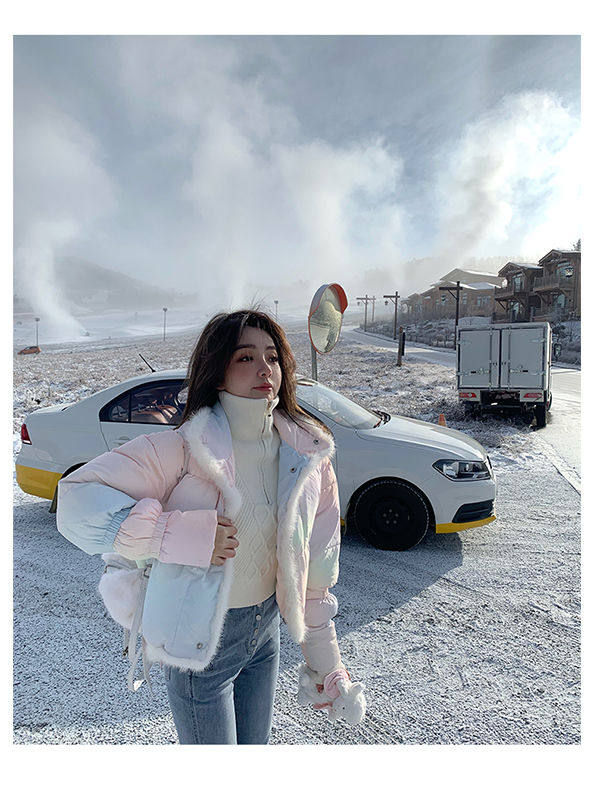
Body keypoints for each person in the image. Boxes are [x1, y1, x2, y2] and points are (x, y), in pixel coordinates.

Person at [56, 309, 364, 744]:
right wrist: (172, 535)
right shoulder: (182, 450)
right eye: (245, 357)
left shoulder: (307, 457)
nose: (264, 369)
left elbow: (316, 569)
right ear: (217, 371)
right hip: (199, 648)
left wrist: (327, 664)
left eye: (273, 357)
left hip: (265, 636)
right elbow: (75, 501)